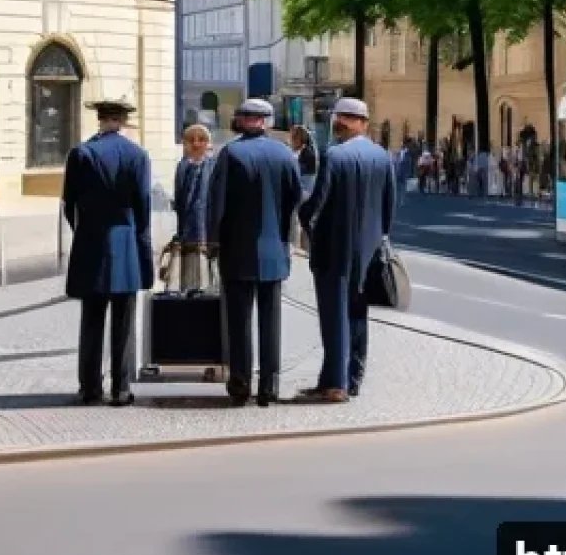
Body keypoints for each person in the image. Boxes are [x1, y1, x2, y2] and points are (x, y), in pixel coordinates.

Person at [298, 97, 396, 403]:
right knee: (357, 314)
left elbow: (318, 200)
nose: (338, 123)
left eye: (341, 119)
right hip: (367, 250)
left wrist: (304, 220)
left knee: (334, 316)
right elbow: (389, 206)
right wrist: (378, 239)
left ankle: (336, 383)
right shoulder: (382, 156)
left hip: (334, 247)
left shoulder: (334, 155)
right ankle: (352, 379)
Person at [206, 98, 302, 407]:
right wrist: (284, 234)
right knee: (270, 320)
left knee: (239, 321)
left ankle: (240, 384)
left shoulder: (230, 153)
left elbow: (217, 203)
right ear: (267, 122)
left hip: (237, 250)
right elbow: (294, 198)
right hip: (273, 249)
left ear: (242, 121)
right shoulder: (284, 154)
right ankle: (269, 386)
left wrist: (213, 241)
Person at [62, 97, 153, 407]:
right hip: (126, 242)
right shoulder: (137, 155)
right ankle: (121, 388)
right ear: (123, 121)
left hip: (91, 241)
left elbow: (69, 205)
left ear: (100, 119)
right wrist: (141, 245)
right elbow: (143, 207)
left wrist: (84, 230)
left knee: (91, 318)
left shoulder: (81, 153)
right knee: (124, 320)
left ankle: (89, 387)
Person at [166, 123, 215, 290]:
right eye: (191, 140)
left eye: (201, 140)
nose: (196, 144)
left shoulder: (213, 165)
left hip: (208, 229)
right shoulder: (183, 165)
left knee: (206, 271)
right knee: (189, 272)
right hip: (187, 229)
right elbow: (180, 198)